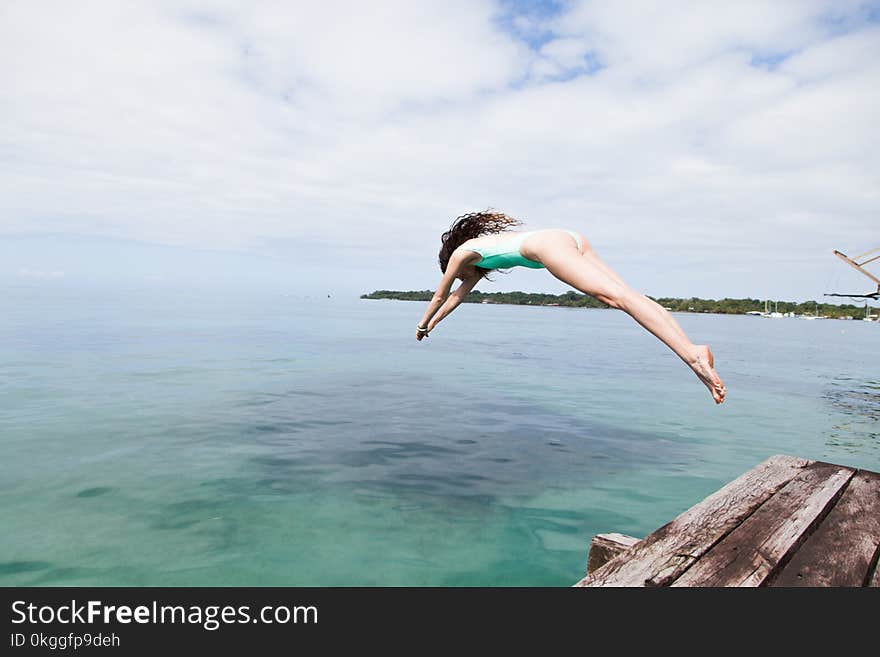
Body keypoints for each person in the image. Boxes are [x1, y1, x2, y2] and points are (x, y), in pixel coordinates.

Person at [416, 210, 726, 404]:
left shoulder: (461, 255)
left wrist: (421, 323)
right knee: (628, 295)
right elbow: (458, 297)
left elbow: (442, 296)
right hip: (569, 237)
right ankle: (690, 347)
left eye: (455, 275)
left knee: (616, 298)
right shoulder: (477, 258)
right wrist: (433, 325)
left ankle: (692, 357)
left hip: (548, 245)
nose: (460, 279)